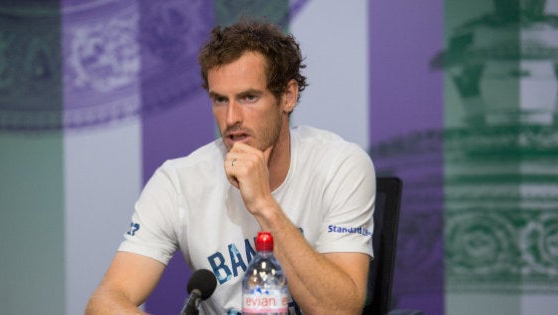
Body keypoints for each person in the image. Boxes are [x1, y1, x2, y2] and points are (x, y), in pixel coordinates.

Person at [85, 19, 375, 315]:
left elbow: (340, 310)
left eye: (249, 97)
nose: (231, 117)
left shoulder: (339, 165)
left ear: (288, 96)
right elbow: (106, 301)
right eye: (220, 100)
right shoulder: (178, 181)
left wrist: (264, 205)